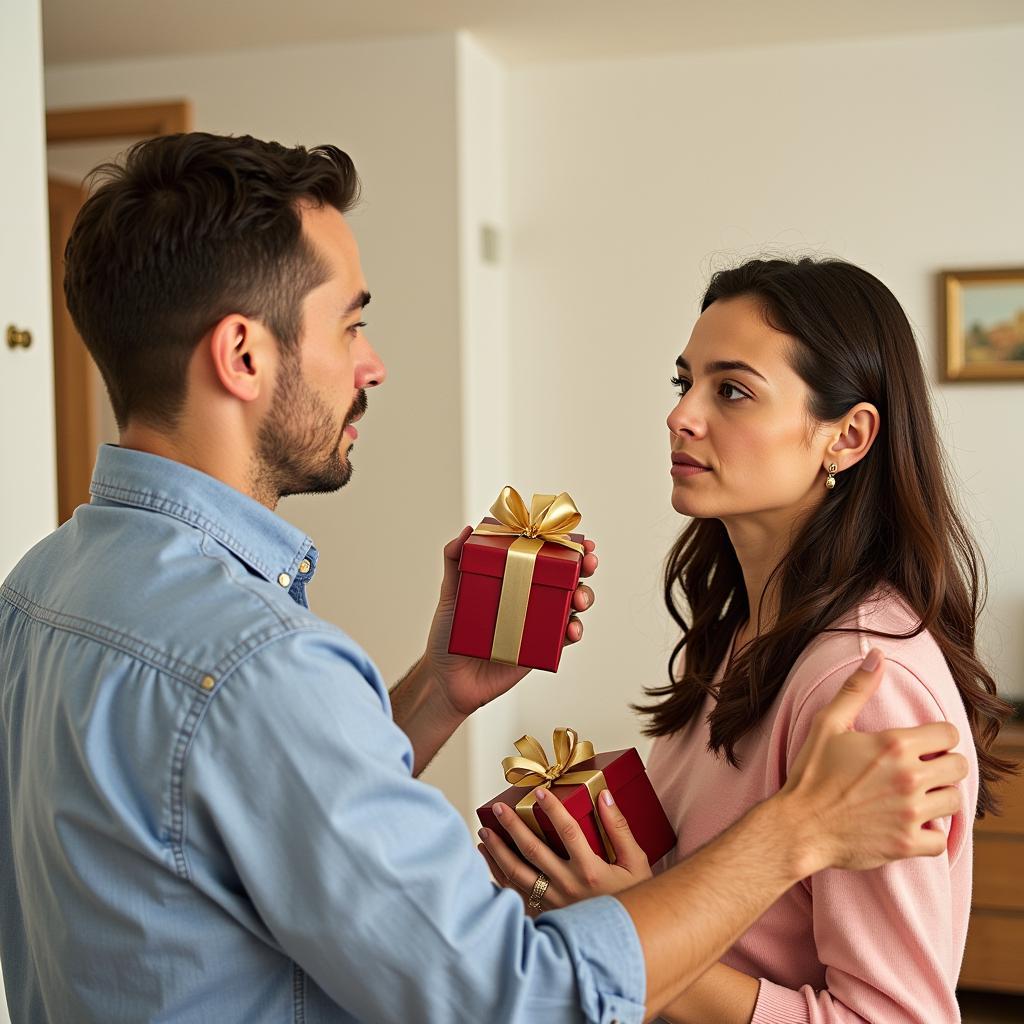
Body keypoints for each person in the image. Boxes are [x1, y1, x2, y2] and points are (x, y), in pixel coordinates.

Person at [0, 135, 968, 1024]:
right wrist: (787, 834)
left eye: (730, 389)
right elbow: (516, 997)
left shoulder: (41, 589)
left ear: (849, 435)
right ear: (244, 354)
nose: (371, 366)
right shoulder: (256, 662)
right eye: (349, 326)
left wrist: (434, 692)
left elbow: (229, 810)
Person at [480, 258, 1014, 1023]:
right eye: (684, 382)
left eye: (731, 390)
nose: (682, 415)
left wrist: (626, 930)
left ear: (848, 437)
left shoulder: (863, 685)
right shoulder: (744, 631)